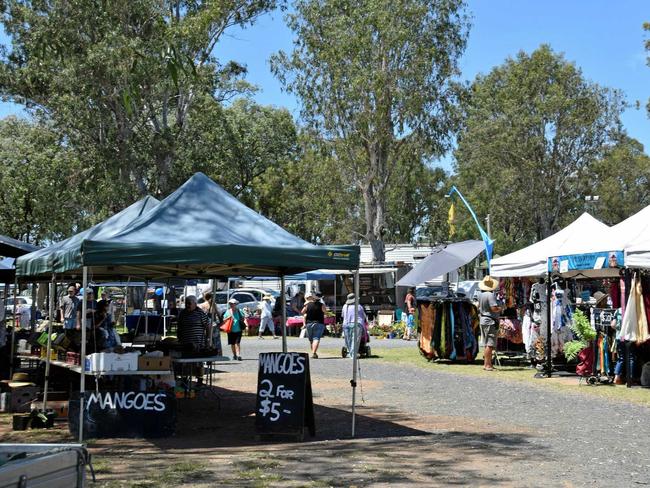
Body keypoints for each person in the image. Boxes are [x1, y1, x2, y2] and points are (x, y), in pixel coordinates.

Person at [478, 275, 502, 371]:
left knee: (486, 343)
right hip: (489, 321)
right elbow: (493, 308)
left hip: (484, 319)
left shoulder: (481, 294)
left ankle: (487, 364)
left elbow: (478, 306)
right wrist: (501, 307)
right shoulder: (490, 295)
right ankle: (488, 365)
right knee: (490, 344)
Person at [342, 293, 367, 359]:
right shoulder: (359, 306)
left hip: (346, 324)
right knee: (355, 340)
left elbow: (343, 315)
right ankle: (353, 354)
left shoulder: (344, 306)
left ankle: (350, 353)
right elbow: (363, 316)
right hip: (357, 324)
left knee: (348, 340)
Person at [301, 293, 327, 359]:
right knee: (316, 338)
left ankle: (313, 352)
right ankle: (314, 353)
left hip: (309, 323)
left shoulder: (307, 305)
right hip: (319, 323)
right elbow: (325, 311)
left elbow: (302, 312)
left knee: (311, 339)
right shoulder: (322, 305)